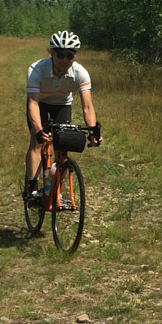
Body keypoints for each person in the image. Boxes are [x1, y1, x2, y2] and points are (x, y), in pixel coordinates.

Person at [24, 30, 101, 204]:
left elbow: (87, 107)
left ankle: (54, 188)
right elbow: (33, 104)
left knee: (62, 147)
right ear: (51, 53)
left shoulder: (80, 72)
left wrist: (93, 131)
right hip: (40, 104)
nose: (65, 60)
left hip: (62, 104)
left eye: (70, 55)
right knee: (37, 142)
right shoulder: (36, 69)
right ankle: (33, 188)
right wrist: (38, 129)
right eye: (60, 55)